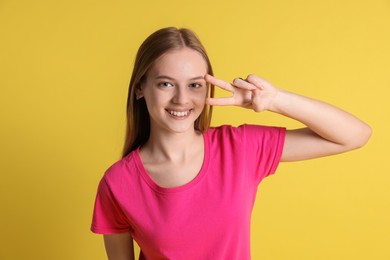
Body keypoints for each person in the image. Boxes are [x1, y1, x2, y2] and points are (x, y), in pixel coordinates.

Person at [91, 27, 371, 260]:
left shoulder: (239, 148)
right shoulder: (117, 183)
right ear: (140, 87)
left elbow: (355, 135)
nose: (181, 99)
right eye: (166, 84)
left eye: (194, 85)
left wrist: (274, 100)